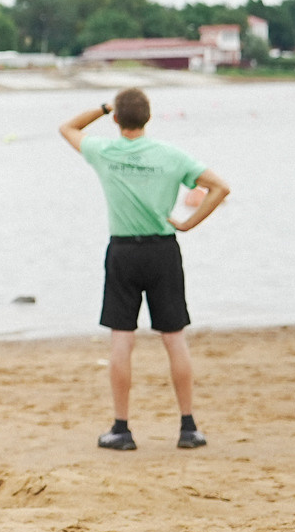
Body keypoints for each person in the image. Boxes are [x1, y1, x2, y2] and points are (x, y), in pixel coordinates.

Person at [60, 88, 231, 452]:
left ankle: (121, 429)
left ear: (116, 119)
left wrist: (104, 107)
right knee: (174, 337)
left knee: (122, 338)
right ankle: (188, 427)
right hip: (162, 250)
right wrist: (188, 223)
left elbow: (68, 128)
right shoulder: (170, 155)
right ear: (149, 118)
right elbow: (220, 187)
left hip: (123, 251)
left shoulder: (104, 151)